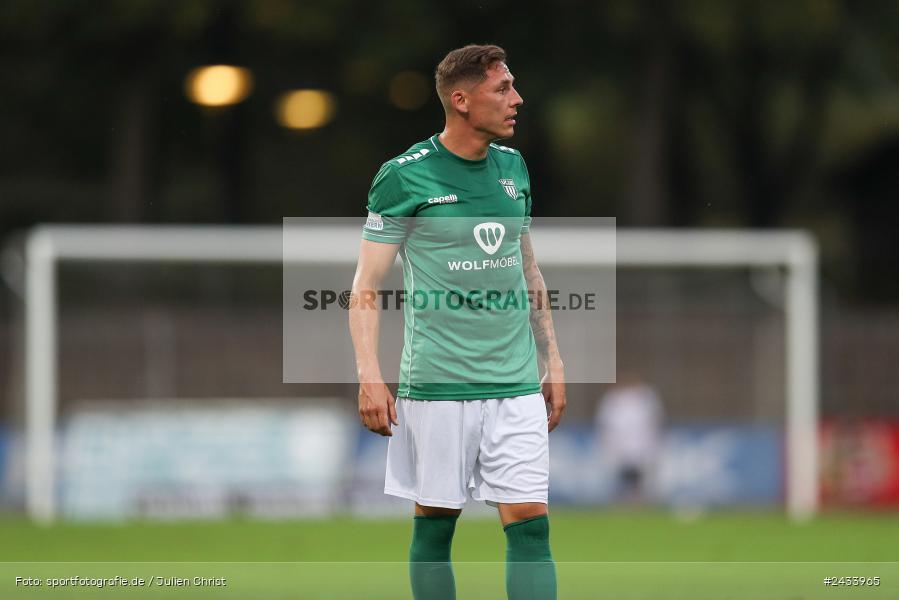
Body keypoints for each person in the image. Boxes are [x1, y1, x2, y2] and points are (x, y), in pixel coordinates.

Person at [349, 44, 566, 600]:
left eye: (513, 86)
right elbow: (366, 288)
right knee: (436, 522)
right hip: (439, 385)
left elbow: (528, 268)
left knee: (531, 525)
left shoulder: (513, 169)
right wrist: (369, 375)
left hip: (515, 383)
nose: (516, 99)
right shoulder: (404, 177)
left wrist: (554, 359)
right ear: (461, 100)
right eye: (502, 89)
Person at [595, 375, 664, 504]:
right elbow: (606, 425)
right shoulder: (613, 399)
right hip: (620, 449)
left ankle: (639, 503)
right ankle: (623, 503)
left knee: (640, 480)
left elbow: (656, 421)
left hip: (642, 448)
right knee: (622, 479)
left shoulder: (646, 397)